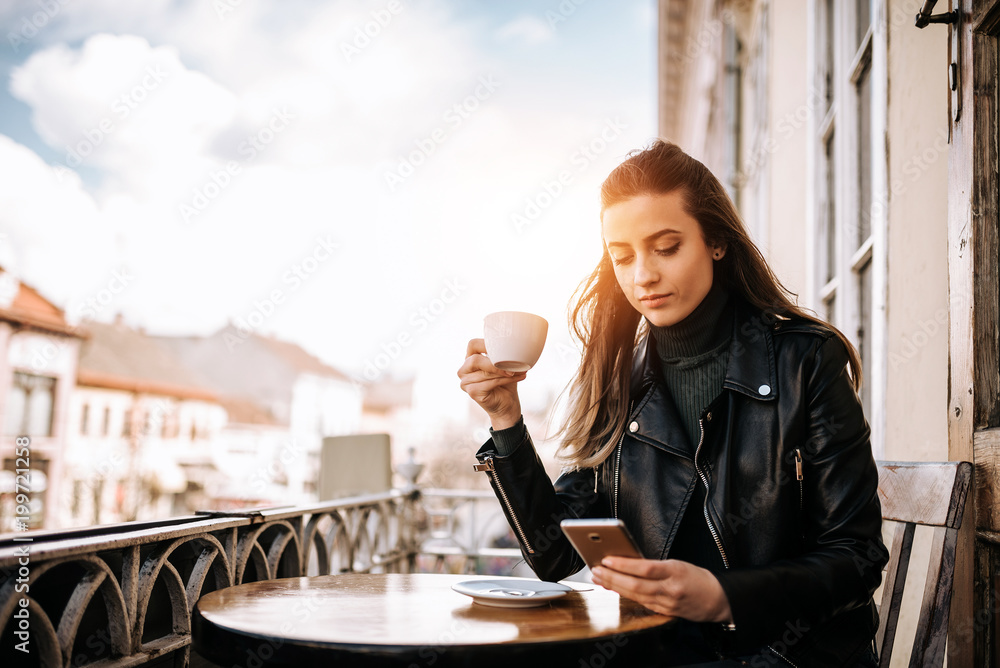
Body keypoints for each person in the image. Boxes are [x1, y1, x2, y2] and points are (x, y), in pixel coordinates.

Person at [457, 140, 888, 667]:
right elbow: (552, 554)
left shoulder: (805, 362)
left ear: (717, 242)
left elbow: (856, 556)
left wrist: (725, 597)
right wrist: (505, 419)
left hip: (786, 656)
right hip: (654, 651)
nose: (643, 275)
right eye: (622, 256)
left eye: (665, 247)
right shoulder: (618, 381)